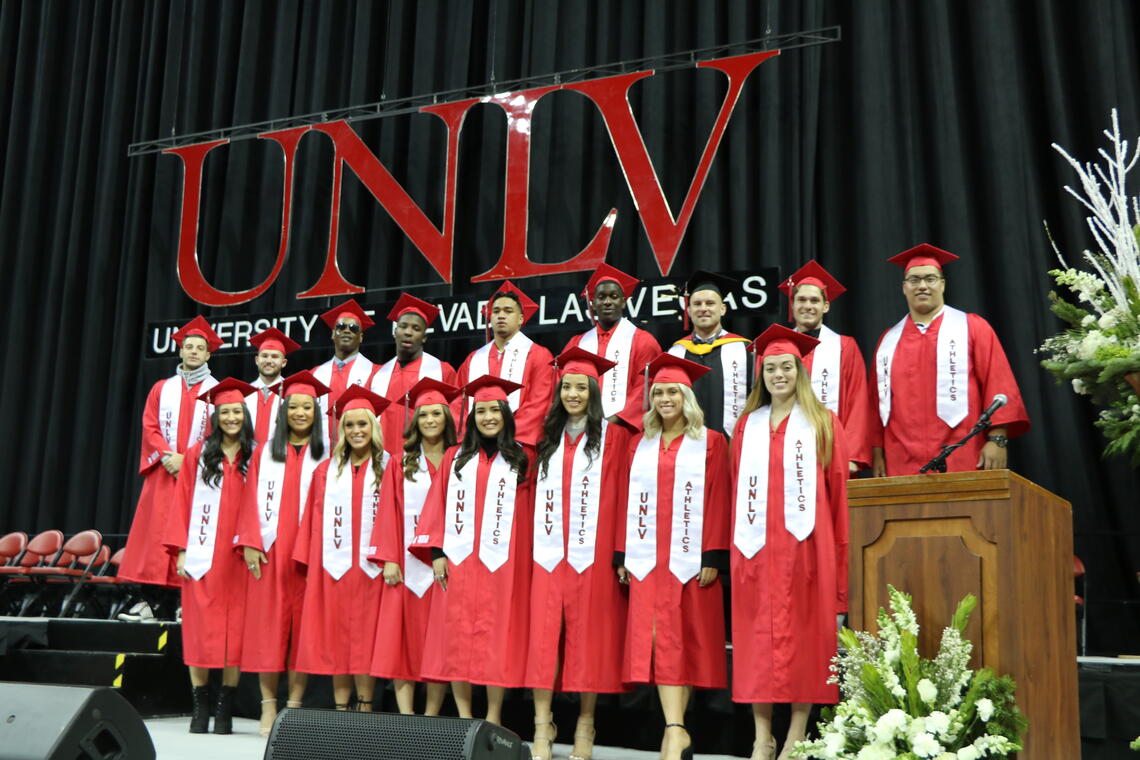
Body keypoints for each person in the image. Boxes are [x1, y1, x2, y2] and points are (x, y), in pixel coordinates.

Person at [730, 325, 849, 760]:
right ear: (760, 375)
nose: (778, 375)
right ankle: (763, 735)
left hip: (808, 548)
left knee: (807, 637)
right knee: (756, 638)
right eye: (770, 368)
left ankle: (797, 731)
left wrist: (837, 560)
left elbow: (837, 494)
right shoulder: (747, 426)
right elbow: (733, 487)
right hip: (756, 548)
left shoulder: (822, 421)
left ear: (800, 371)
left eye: (786, 367)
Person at [616, 353, 730, 760]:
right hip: (648, 558)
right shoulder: (637, 444)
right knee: (660, 640)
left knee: (686, 642)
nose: (665, 399)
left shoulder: (712, 442)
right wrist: (622, 554)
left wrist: (713, 554)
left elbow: (720, 499)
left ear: (687, 396)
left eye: (672, 392)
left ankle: (675, 729)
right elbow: (623, 501)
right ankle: (674, 729)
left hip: (691, 559)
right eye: (658, 392)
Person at [527, 348, 632, 760]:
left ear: (594, 391)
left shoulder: (616, 437)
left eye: (581, 387)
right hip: (548, 555)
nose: (573, 393)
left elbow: (626, 495)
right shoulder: (543, 437)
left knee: (589, 640)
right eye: (566, 386)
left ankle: (585, 726)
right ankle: (541, 726)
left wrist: (621, 551)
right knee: (543, 642)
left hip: (594, 552)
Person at [410, 375, 533, 726]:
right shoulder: (455, 456)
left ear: (507, 415)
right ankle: (465, 718)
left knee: (498, 640)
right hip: (460, 562)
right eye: (481, 411)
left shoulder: (524, 458)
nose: (488, 417)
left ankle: (493, 717)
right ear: (472, 416)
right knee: (456, 639)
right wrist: (436, 554)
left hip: (503, 564)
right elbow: (438, 504)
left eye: (495, 410)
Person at [870, 244, 1030, 476]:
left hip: (964, 453)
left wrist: (998, 439)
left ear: (942, 284)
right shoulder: (888, 341)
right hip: (900, 458)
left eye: (930, 279)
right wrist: (877, 453)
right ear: (904, 288)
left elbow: (999, 385)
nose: (922, 286)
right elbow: (875, 404)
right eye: (914, 280)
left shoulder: (972, 327)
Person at [234, 370, 329, 735]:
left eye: (308, 407)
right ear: (284, 411)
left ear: (316, 413)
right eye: (295, 407)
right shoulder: (264, 454)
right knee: (267, 631)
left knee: (303, 632)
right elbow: (248, 502)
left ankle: (294, 705)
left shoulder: (326, 454)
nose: (301, 412)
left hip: (311, 555)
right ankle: (268, 705)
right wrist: (251, 543)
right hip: (270, 553)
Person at [162, 378, 256, 734]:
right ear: (216, 417)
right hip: (203, 553)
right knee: (200, 632)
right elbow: (182, 502)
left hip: (239, 556)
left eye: (237, 412)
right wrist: (182, 550)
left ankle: (225, 707)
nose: (231, 418)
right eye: (225, 412)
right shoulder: (197, 454)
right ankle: (200, 705)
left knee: (235, 631)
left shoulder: (256, 456)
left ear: (244, 416)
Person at [293, 384, 391, 710]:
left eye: (362, 424)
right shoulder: (326, 471)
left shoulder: (390, 466)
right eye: (349, 425)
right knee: (336, 637)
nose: (356, 431)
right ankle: (339, 709)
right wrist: (310, 564)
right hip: (333, 566)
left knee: (366, 638)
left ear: (373, 427)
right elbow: (311, 520)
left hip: (373, 569)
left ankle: (365, 706)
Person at [367, 377, 460, 716]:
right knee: (401, 642)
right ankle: (407, 717)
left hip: (445, 565)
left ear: (447, 419)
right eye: (423, 415)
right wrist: (389, 558)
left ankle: (431, 716)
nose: (430, 420)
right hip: (406, 566)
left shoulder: (458, 459)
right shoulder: (400, 462)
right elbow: (389, 513)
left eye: (437, 414)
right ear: (415, 421)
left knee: (440, 644)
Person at [119, 316, 221, 621]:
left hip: (198, 477)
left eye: (199, 348)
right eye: (188, 346)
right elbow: (149, 426)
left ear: (208, 354)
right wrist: (167, 456)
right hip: (164, 475)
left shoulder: (218, 393)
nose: (193, 351)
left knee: (191, 535)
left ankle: (184, 603)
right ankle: (147, 604)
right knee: (154, 536)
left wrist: (187, 460)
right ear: (181, 351)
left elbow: (219, 434)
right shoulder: (162, 389)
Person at [775, 261, 872, 472]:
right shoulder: (777, 350)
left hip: (834, 455)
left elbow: (858, 402)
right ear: (792, 304)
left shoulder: (844, 347)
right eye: (801, 299)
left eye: (814, 300)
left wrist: (852, 457)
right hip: (786, 455)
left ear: (825, 306)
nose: (807, 306)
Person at [563, 263, 662, 429]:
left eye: (614, 296)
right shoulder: (577, 343)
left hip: (625, 430)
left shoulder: (643, 341)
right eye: (601, 297)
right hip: (580, 429)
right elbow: (563, 384)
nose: (607, 302)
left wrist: (612, 422)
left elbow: (645, 388)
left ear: (623, 302)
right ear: (593, 303)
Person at [455, 281, 554, 446]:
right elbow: (459, 403)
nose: (501, 315)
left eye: (508, 311)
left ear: (521, 318)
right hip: (476, 446)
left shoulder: (539, 355)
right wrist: (474, 437)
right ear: (490, 317)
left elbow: (540, 402)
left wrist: (508, 436)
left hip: (519, 444)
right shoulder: (473, 359)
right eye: (496, 311)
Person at [370, 293, 458, 455]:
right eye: (403, 326)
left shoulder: (442, 370)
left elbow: (455, 419)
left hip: (425, 459)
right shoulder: (378, 375)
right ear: (395, 332)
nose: (408, 332)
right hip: (383, 460)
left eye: (416, 328)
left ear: (424, 337)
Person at [668, 271, 751, 437]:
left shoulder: (744, 349)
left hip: (732, 444)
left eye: (710, 303)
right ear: (689, 310)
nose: (703, 308)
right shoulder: (676, 353)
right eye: (697, 304)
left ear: (722, 309)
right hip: (687, 443)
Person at [311, 299, 378, 450]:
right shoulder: (315, 374)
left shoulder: (375, 373)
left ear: (361, 337)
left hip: (359, 451)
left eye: (354, 328)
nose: (347, 330)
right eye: (341, 327)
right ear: (333, 334)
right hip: (319, 452)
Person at [245, 327, 300, 445]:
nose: (269, 361)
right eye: (264, 356)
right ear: (256, 360)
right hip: (246, 459)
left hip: (280, 458)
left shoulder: (292, 395)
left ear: (284, 362)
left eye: (275, 357)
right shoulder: (244, 394)